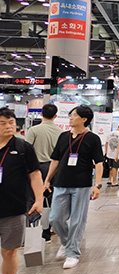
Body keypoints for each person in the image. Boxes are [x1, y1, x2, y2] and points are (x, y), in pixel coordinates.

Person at [44, 105, 103, 269]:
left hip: (82, 185)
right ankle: (67, 243)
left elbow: (99, 163)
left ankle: (72, 254)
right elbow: (55, 160)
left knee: (77, 221)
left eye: (74, 115)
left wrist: (97, 185)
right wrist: (47, 179)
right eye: (70, 115)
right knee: (55, 218)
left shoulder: (93, 139)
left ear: (84, 119)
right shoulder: (63, 136)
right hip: (61, 183)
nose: (70, 117)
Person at [0, 108, 43, 274]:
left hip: (14, 209)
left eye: (11, 122)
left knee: (9, 251)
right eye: (2, 123)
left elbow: (35, 175)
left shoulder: (23, 148)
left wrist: (39, 200)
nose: (8, 126)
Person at [25, 103, 62, 242]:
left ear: (41, 114)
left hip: (37, 169)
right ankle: (48, 231)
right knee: (52, 200)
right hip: (54, 169)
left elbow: (27, 149)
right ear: (55, 116)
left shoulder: (34, 130)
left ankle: (32, 230)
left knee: (33, 198)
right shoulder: (60, 132)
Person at [105, 122, 119, 186]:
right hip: (117, 154)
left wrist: (106, 152)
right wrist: (116, 155)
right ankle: (114, 182)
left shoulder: (110, 133)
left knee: (111, 167)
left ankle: (109, 180)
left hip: (109, 153)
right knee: (115, 168)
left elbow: (107, 143)